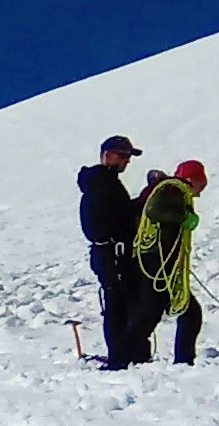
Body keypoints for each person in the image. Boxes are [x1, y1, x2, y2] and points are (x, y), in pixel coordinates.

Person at [76, 136, 154, 366]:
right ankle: (125, 356)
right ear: (107, 155)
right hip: (113, 253)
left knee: (119, 302)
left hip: (107, 253)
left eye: (128, 157)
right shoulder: (103, 182)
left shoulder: (99, 181)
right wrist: (145, 199)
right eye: (122, 156)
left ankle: (124, 354)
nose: (126, 162)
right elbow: (120, 215)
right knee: (123, 303)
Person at [131, 159, 208, 364]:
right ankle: (127, 355)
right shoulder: (172, 190)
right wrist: (184, 217)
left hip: (162, 263)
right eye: (202, 184)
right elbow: (156, 212)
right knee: (153, 313)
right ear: (192, 179)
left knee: (182, 312)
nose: (201, 191)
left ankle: (132, 355)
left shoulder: (173, 190)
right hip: (158, 264)